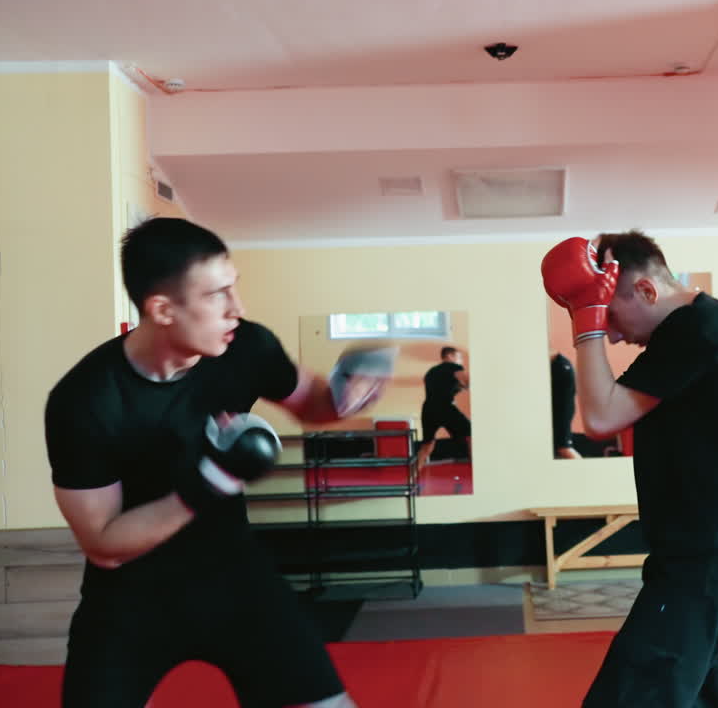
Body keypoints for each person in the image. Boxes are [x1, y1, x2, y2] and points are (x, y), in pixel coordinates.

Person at [45, 217, 387, 708]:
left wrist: (349, 388)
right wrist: (211, 481)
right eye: (217, 295)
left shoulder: (245, 345)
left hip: (235, 580)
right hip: (129, 600)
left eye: (235, 289)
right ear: (162, 309)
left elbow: (312, 404)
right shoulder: (86, 400)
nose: (237, 309)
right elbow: (104, 545)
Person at [541, 230, 718, 708]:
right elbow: (612, 414)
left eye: (609, 314)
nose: (610, 332)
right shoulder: (692, 338)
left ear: (648, 291)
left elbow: (598, 417)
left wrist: (585, 328)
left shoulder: (705, 329)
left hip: (710, 566)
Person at [414, 346, 471, 470]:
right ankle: (479, 471)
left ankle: (411, 479)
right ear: (450, 356)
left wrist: (458, 388)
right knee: (471, 434)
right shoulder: (454, 367)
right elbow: (467, 382)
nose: (461, 360)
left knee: (427, 445)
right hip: (445, 407)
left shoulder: (430, 372)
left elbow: (440, 388)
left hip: (428, 409)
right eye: (459, 357)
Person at [550, 352, 581, 459]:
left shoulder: (559, 367)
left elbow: (564, 447)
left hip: (558, 368)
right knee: (563, 446)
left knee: (563, 446)